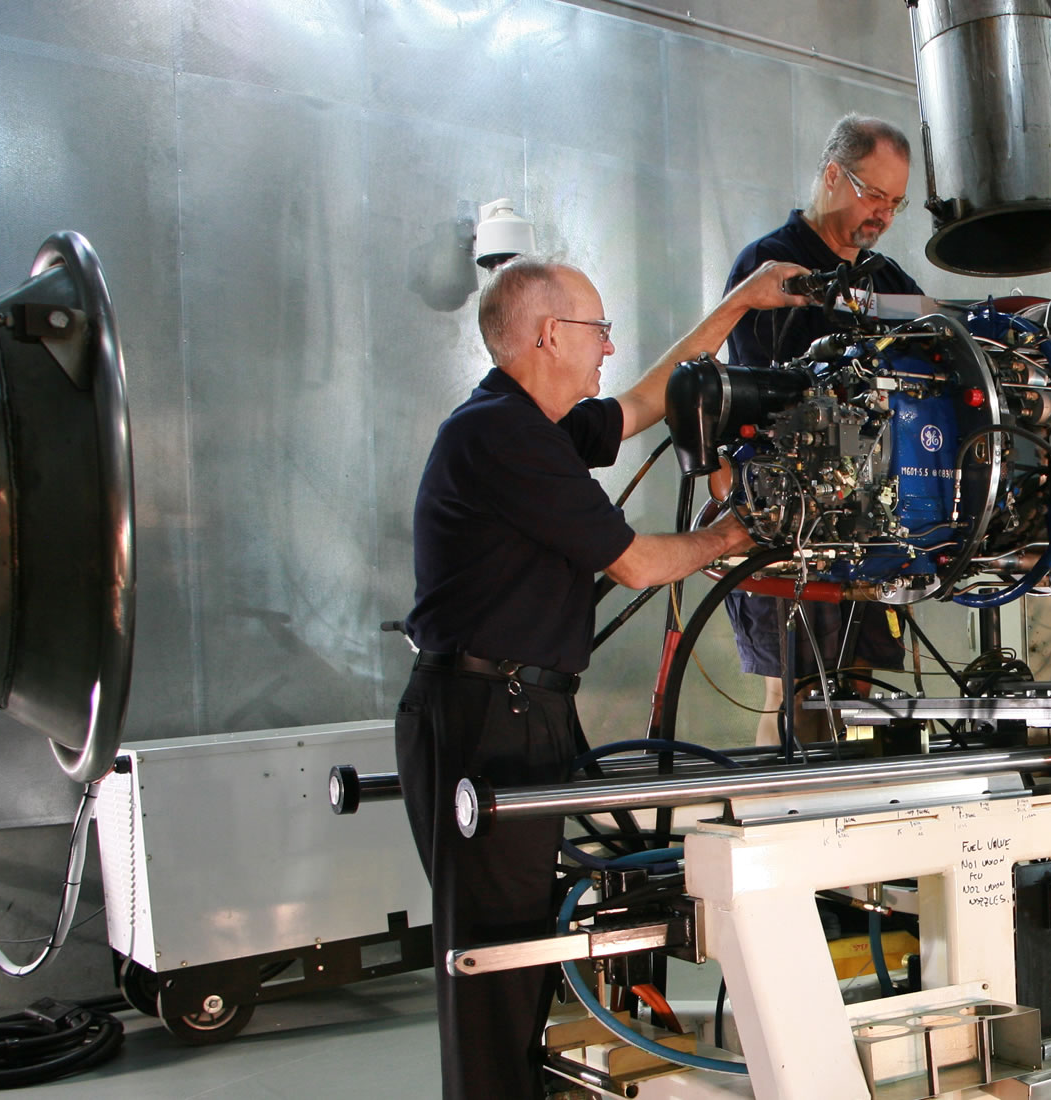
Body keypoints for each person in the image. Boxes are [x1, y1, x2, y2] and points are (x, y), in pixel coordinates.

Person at [396, 255, 804, 1098]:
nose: (609, 349)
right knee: (497, 958)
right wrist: (745, 530)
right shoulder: (497, 435)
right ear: (550, 334)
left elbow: (654, 398)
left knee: (528, 945)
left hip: (518, 704)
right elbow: (639, 565)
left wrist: (743, 300)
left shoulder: (531, 426)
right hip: (484, 712)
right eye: (599, 330)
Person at [723, 114, 928, 745]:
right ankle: (769, 823)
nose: (883, 217)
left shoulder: (886, 280)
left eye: (896, 204)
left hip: (870, 517)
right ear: (833, 175)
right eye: (874, 196)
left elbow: (935, 353)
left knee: (858, 688)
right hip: (792, 515)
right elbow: (779, 401)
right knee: (797, 693)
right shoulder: (768, 267)